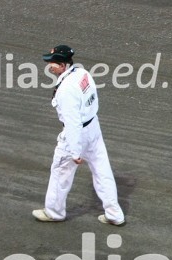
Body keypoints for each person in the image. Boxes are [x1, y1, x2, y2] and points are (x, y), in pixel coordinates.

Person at [32, 44, 126, 226]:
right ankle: (115, 214)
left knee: (60, 172)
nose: (49, 66)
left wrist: (75, 152)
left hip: (77, 134)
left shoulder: (66, 90)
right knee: (102, 171)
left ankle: (54, 212)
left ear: (62, 65)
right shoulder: (83, 74)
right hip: (93, 128)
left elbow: (72, 122)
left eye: (52, 63)